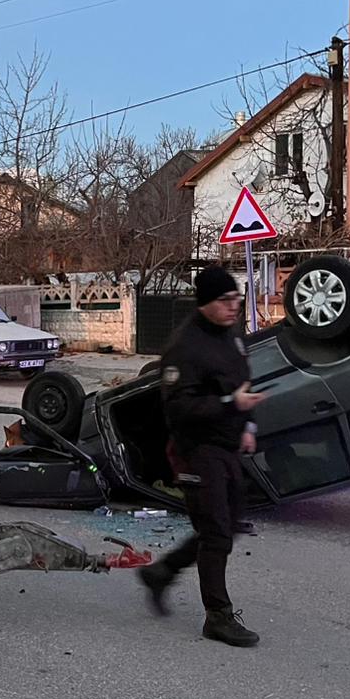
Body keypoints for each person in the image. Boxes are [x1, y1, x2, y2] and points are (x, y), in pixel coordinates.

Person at [138, 267, 266, 648]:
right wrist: (230, 404)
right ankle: (219, 617)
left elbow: (242, 383)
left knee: (223, 526)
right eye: (226, 301)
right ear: (206, 303)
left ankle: (162, 572)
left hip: (227, 445)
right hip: (195, 450)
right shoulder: (184, 347)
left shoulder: (231, 335)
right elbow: (179, 408)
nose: (234, 307)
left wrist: (248, 425)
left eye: (237, 300)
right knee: (216, 532)